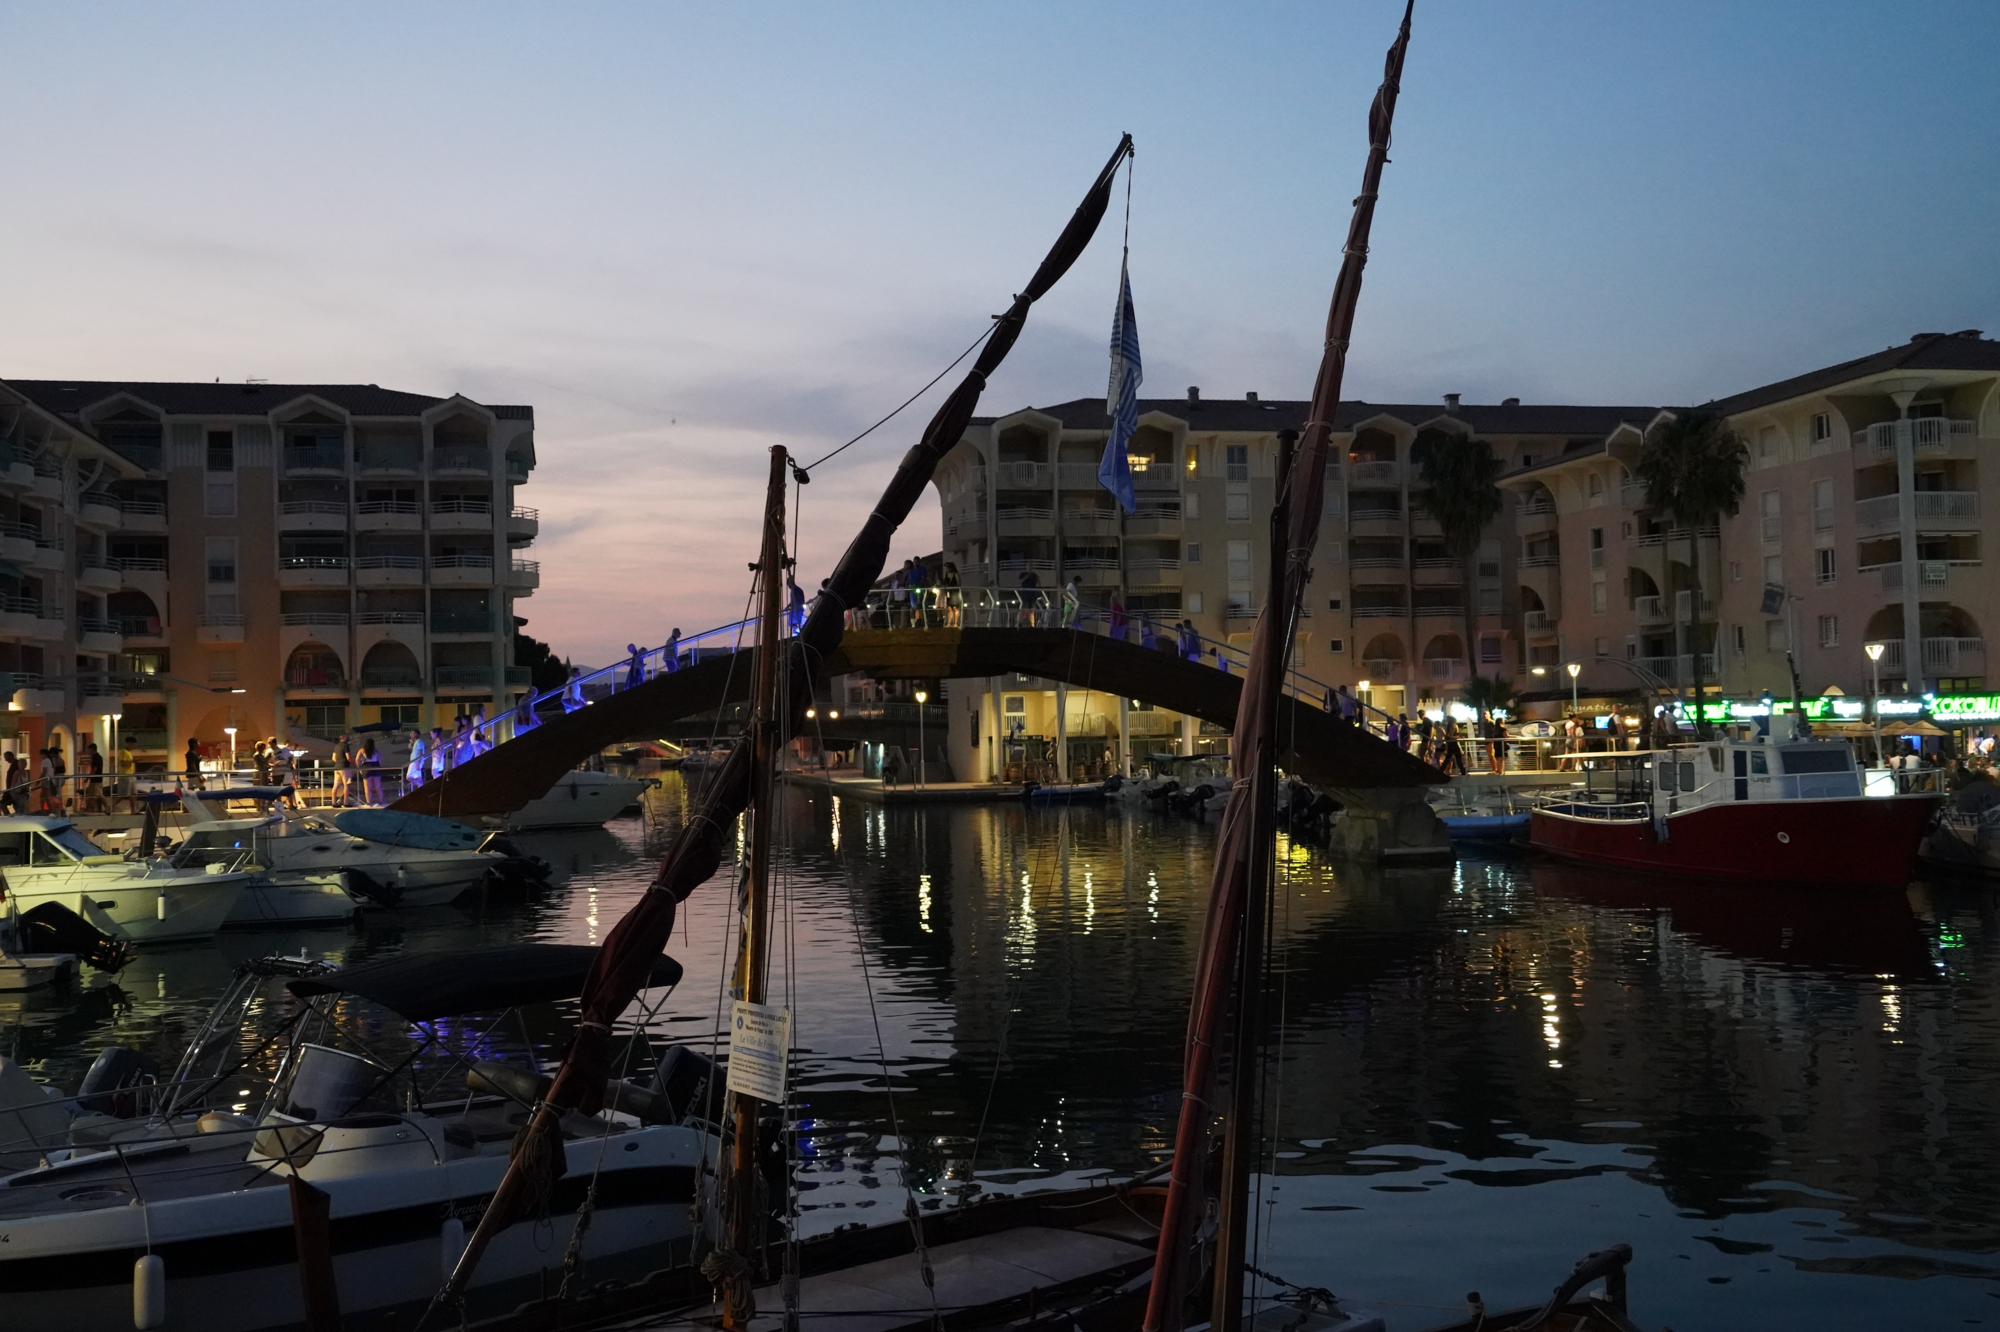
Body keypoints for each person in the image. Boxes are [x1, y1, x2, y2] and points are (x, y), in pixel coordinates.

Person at [359, 738, 383, 804]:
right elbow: (380, 759)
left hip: (366, 767)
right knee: (378, 786)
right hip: (375, 767)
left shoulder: (362, 750)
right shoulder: (375, 751)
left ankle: (369, 802)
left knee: (367, 787)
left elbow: (357, 759)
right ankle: (380, 801)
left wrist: (359, 767)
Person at [330, 735, 352, 806]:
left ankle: (334, 802)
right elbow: (348, 757)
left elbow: (333, 758)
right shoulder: (345, 746)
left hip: (337, 767)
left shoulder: (336, 746)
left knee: (336, 785)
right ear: (344, 738)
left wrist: (339, 762)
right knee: (346, 785)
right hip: (344, 767)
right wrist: (353, 763)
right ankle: (346, 802)